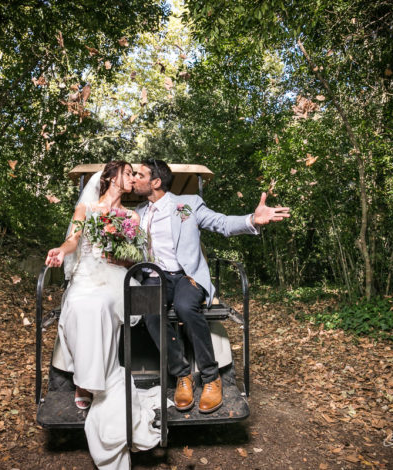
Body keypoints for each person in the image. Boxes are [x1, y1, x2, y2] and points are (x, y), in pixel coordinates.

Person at [132, 159, 290, 414]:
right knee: (149, 311)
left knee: (185, 307)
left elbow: (222, 223)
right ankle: (183, 375)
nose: (134, 178)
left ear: (156, 182)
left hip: (186, 276)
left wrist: (252, 219)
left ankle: (210, 377)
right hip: (154, 277)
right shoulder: (137, 212)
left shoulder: (188, 204)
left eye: (139, 174)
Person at [45, 161, 160, 470]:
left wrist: (119, 254)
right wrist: (61, 250)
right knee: (82, 304)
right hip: (86, 273)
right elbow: (74, 240)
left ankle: (93, 381)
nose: (133, 179)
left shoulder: (132, 216)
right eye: (128, 173)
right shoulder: (87, 209)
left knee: (101, 305)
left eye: (136, 175)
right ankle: (85, 380)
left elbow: (136, 256)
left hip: (115, 275)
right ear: (111, 177)